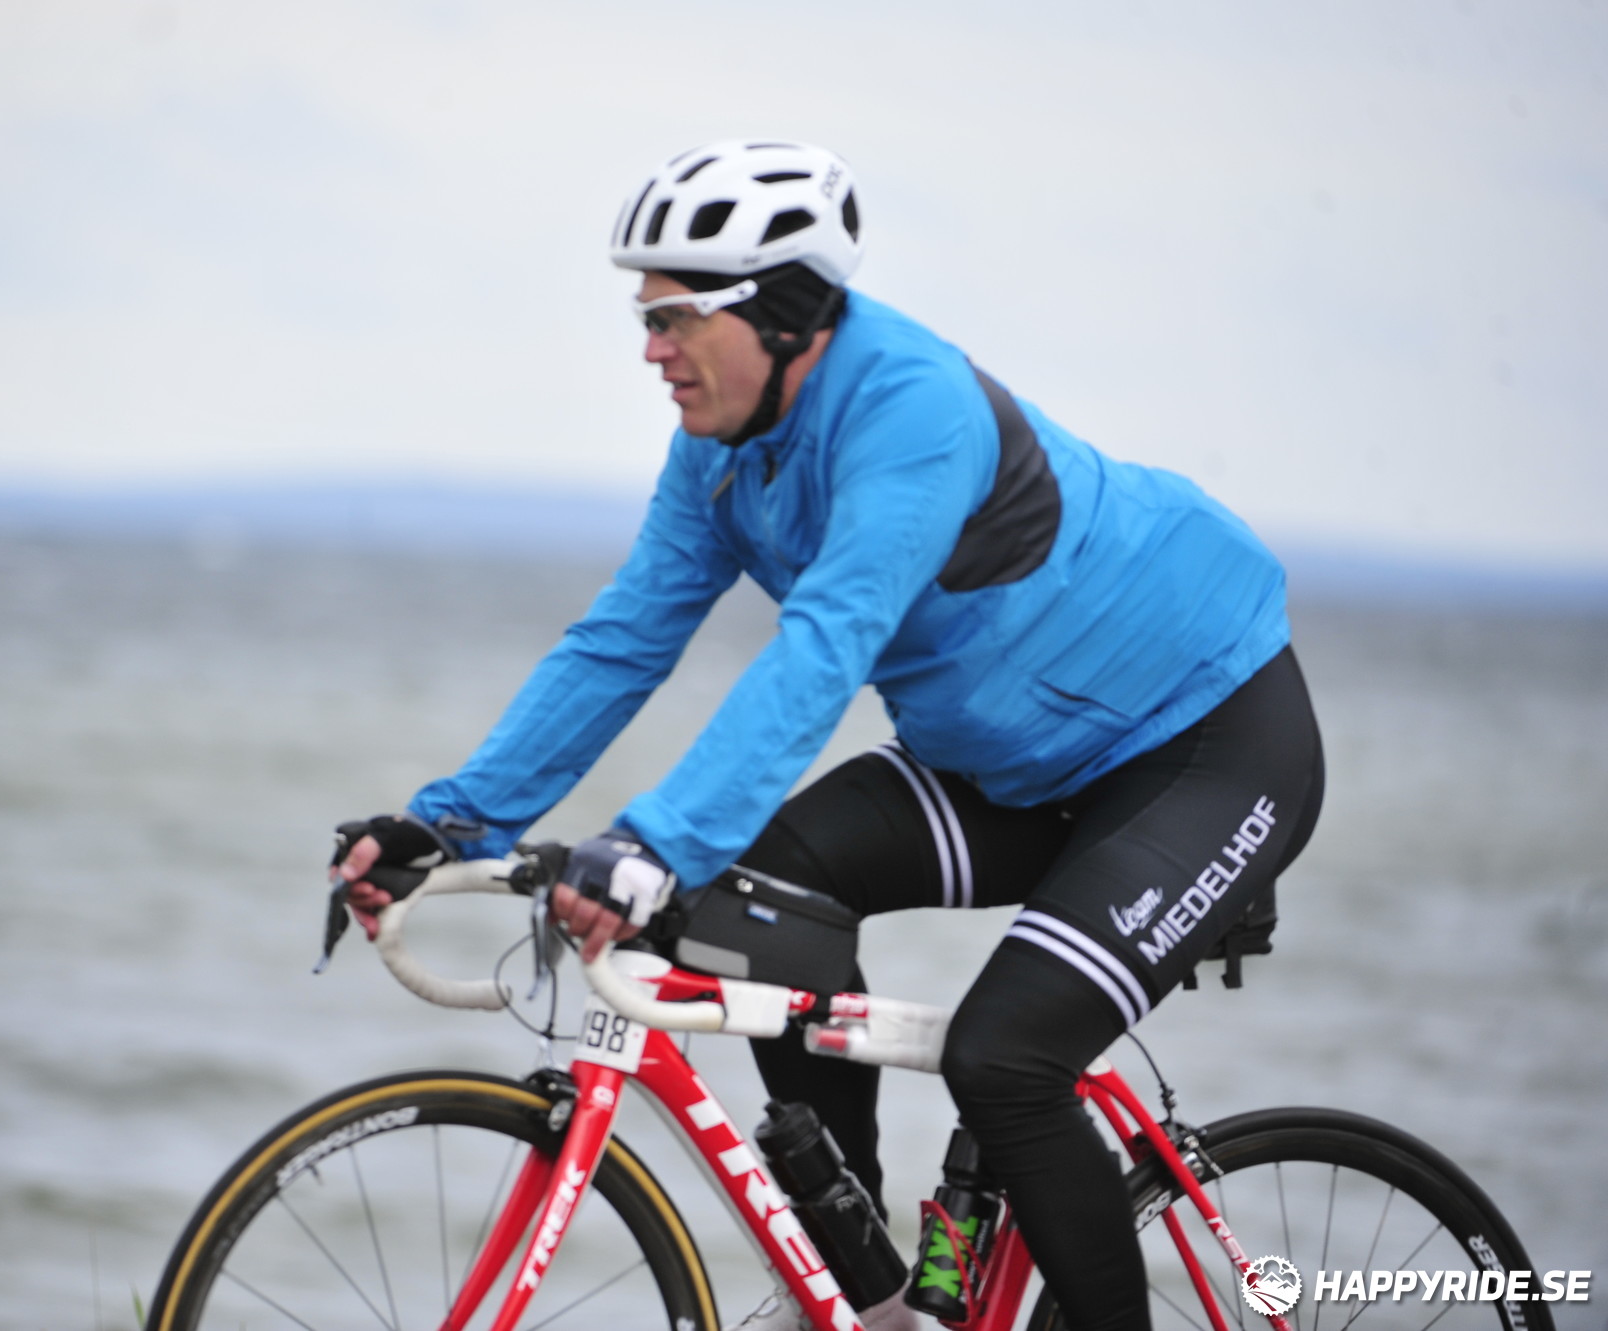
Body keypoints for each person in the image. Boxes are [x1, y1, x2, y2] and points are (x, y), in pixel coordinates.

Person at [331, 140, 1324, 1331]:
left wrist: (654, 841)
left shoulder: (912, 412)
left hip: (1200, 741)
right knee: (753, 905)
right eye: (644, 317)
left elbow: (824, 645)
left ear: (784, 314)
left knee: (1005, 1058)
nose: (649, 349)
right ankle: (869, 1298)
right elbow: (623, 638)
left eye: (673, 317)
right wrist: (451, 822)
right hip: (1013, 760)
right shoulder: (720, 450)